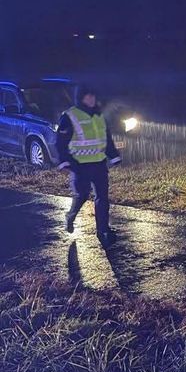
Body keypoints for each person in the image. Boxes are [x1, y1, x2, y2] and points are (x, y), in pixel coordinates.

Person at [56, 82, 122, 248]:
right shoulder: (70, 116)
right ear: (81, 98)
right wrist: (64, 161)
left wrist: (114, 155)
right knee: (82, 196)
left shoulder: (99, 115)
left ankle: (103, 231)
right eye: (88, 96)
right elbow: (60, 142)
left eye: (93, 96)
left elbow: (106, 139)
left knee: (102, 198)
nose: (92, 99)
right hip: (80, 166)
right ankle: (71, 216)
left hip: (99, 164)